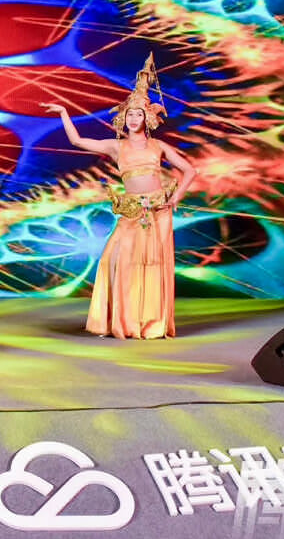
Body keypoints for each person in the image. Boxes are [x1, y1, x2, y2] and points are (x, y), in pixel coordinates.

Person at [42, 54, 196, 339]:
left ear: (147, 118)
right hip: (131, 210)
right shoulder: (116, 146)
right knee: (116, 259)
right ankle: (121, 321)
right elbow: (77, 141)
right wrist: (64, 112)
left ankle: (150, 323)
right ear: (123, 118)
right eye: (130, 114)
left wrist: (176, 198)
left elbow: (189, 170)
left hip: (158, 210)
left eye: (138, 114)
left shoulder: (158, 146)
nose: (133, 119)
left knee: (152, 264)